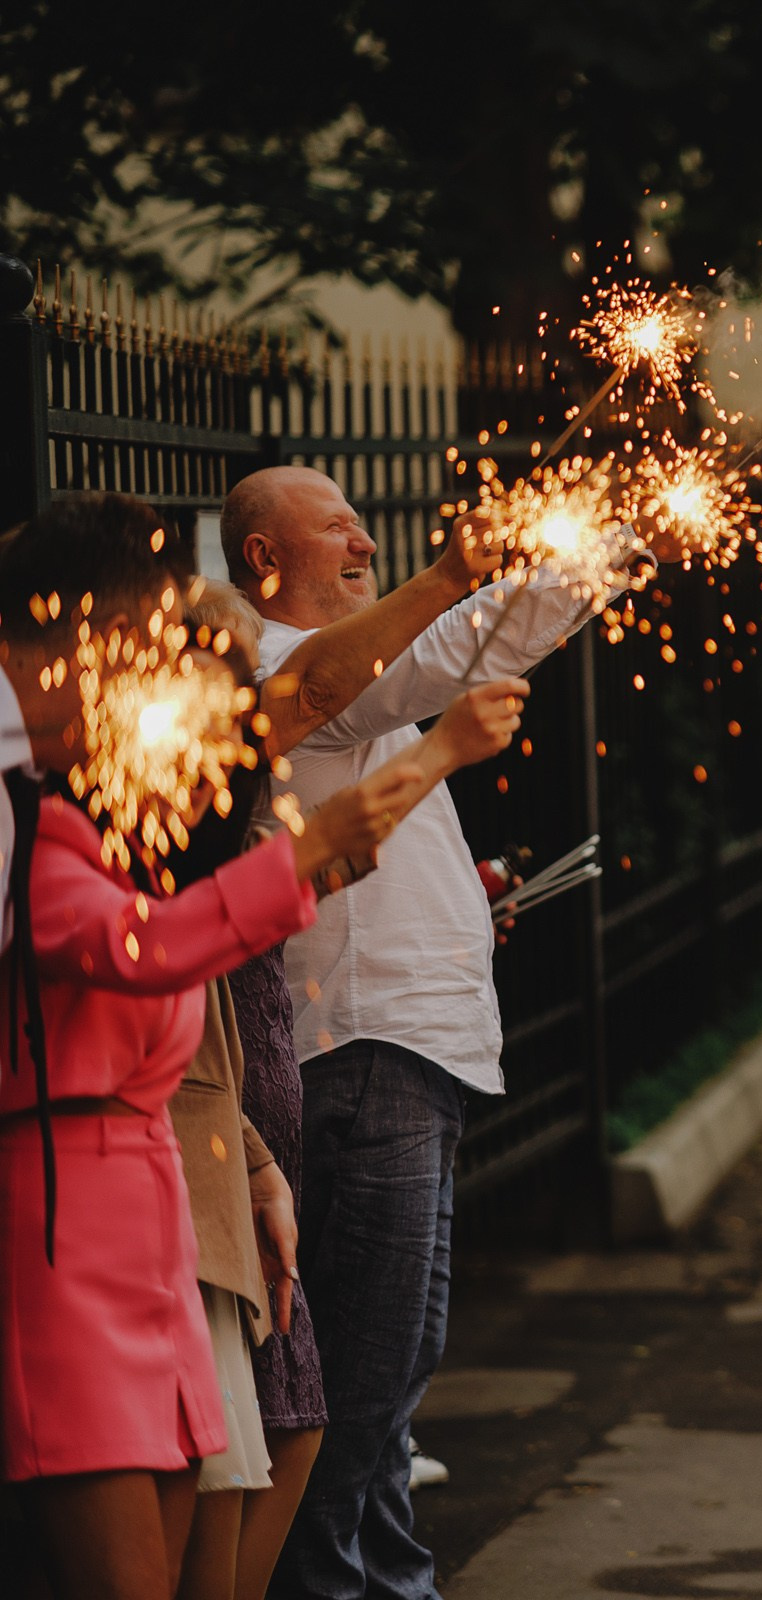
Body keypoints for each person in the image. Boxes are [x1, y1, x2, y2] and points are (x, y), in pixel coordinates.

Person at [0, 495, 415, 1599]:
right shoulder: (29, 824)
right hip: (64, 1227)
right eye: (140, 632)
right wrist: (305, 857)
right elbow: (135, 947)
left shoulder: (96, 814)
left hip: (158, 1219)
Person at [220, 466, 613, 1600]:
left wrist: (613, 535)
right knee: (362, 1383)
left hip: (411, 1055)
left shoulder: (358, 670)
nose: (359, 536)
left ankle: (393, 1583)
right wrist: (530, 557)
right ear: (263, 559)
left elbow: (455, 659)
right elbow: (449, 656)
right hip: (357, 1061)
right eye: (330, 524)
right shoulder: (277, 668)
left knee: (391, 1385)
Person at [166, 581, 527, 1600]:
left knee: (335, 1413)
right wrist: (444, 745)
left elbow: (312, 872)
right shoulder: (298, 677)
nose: (248, 689)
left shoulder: (218, 788)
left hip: (253, 1138)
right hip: (205, 1154)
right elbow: (304, 865)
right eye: (229, 665)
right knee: (324, 1420)